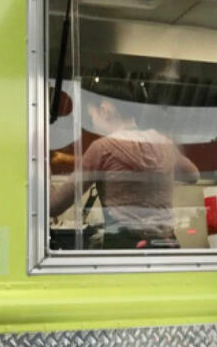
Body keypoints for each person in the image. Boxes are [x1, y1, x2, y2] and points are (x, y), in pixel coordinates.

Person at [50, 85, 199, 249]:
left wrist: (42, 167)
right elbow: (193, 175)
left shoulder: (103, 148)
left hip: (125, 250)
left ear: (104, 110)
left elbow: (54, 206)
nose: (91, 123)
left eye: (91, 116)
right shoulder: (162, 142)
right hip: (167, 246)